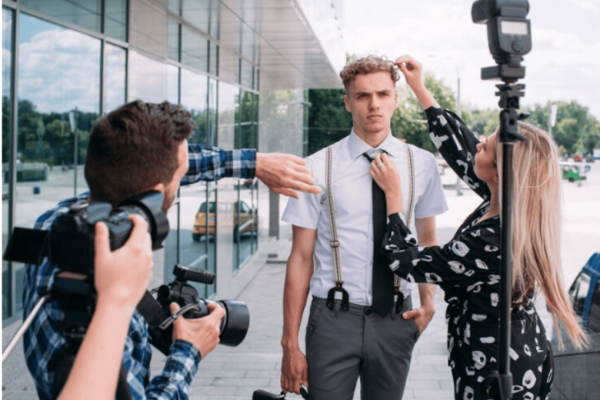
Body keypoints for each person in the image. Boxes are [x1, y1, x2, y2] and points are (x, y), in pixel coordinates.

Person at [22, 100, 321, 400]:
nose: (180, 186)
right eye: (179, 179)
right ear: (152, 198)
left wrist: (253, 163)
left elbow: (149, 164)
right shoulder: (106, 308)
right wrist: (187, 352)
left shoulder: (56, 222)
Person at [370, 55, 588, 400]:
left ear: (499, 173)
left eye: (485, 146)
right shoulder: (504, 201)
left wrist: (394, 198)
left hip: (499, 366)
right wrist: (420, 89)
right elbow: (461, 150)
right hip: (505, 350)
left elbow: (406, 261)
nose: (478, 145)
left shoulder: (494, 237)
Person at [280, 56, 448, 400]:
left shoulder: (423, 164)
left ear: (396, 99)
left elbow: (429, 240)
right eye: (362, 96)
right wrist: (289, 343)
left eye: (383, 94)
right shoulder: (315, 167)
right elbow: (300, 257)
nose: (374, 104)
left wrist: (428, 303)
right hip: (332, 320)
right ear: (347, 102)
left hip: (397, 319)